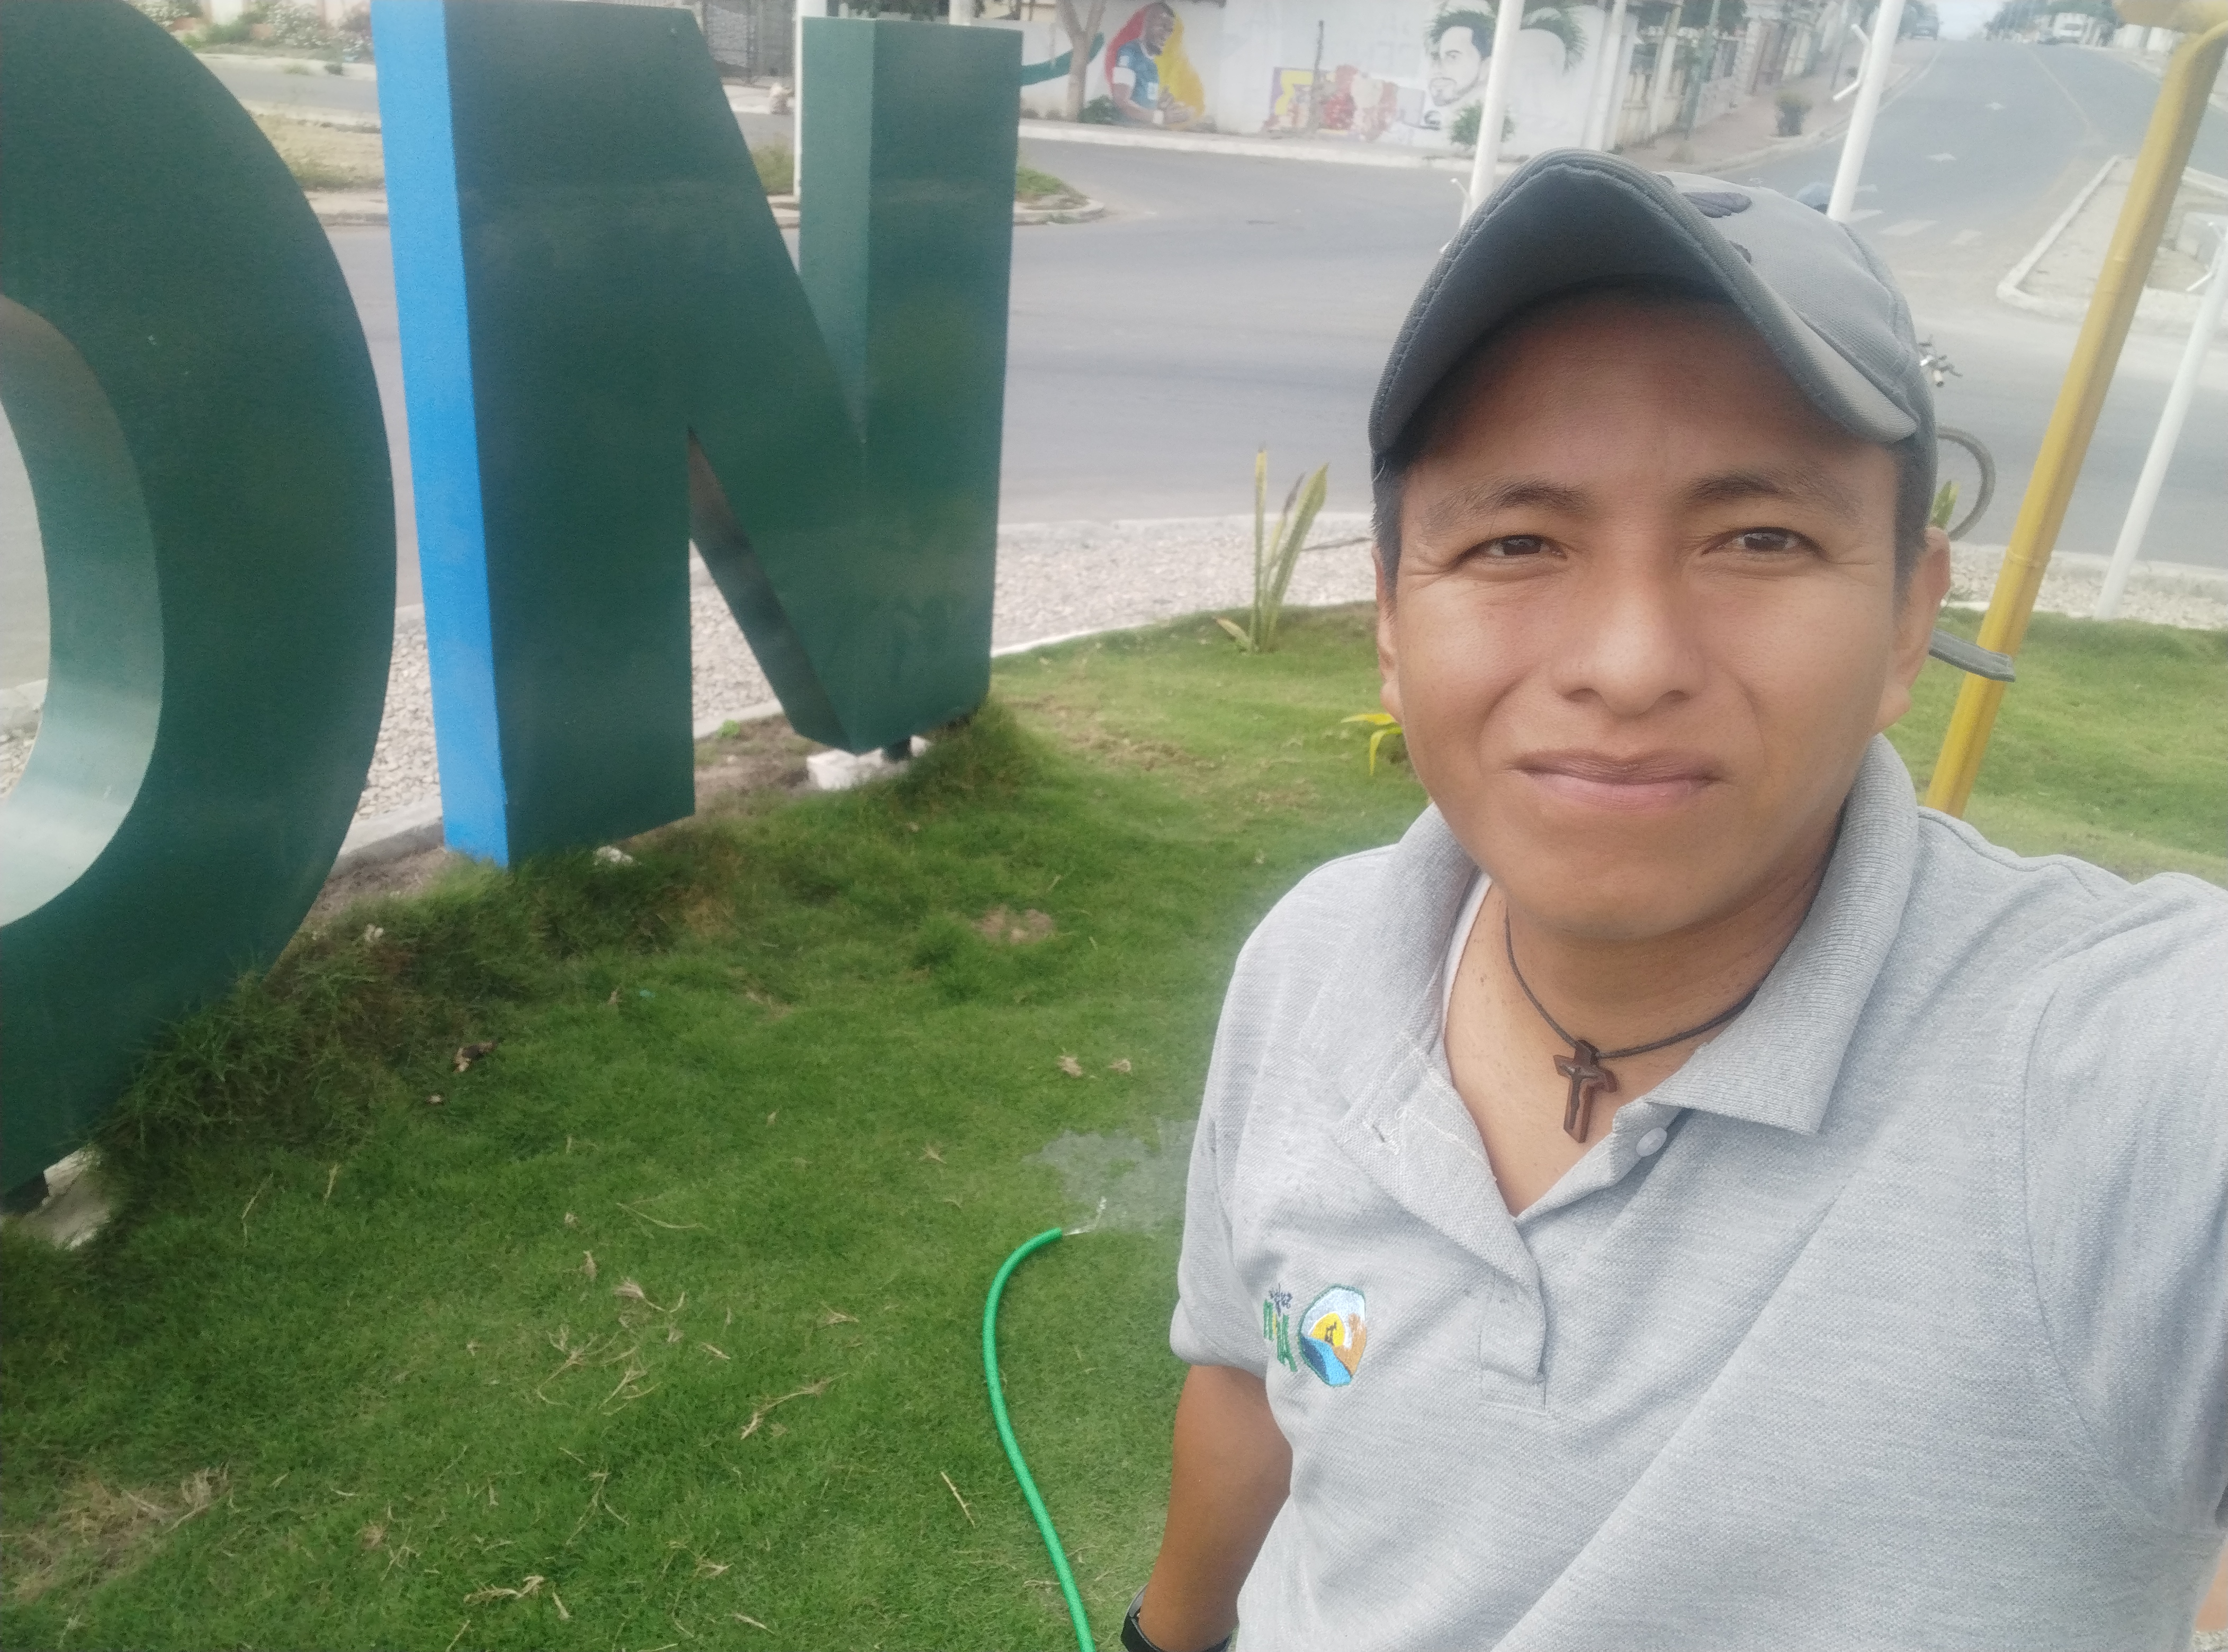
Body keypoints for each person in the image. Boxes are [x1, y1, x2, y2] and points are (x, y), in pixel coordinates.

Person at [1120, 151, 2227, 1651]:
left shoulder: (2116, 1080)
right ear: (1389, 618)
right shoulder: (1312, 958)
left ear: (1909, 617)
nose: (1630, 663)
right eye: (1516, 542)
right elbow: (1252, 1380)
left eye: (1760, 538)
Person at [1110, 2, 1193, 128]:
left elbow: (1145, 108)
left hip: (1146, 132)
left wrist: (1161, 106)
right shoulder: (1129, 53)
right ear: (1147, 23)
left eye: (1169, 31)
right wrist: (1162, 117)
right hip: (1127, 133)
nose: (1166, 35)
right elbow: (1121, 102)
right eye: (1162, 27)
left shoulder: (1152, 66)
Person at [1425, 7, 1495, 125]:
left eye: (1453, 57)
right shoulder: (1443, 123)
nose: (1437, 69)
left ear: (1486, 67)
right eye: (1436, 58)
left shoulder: (1491, 124)